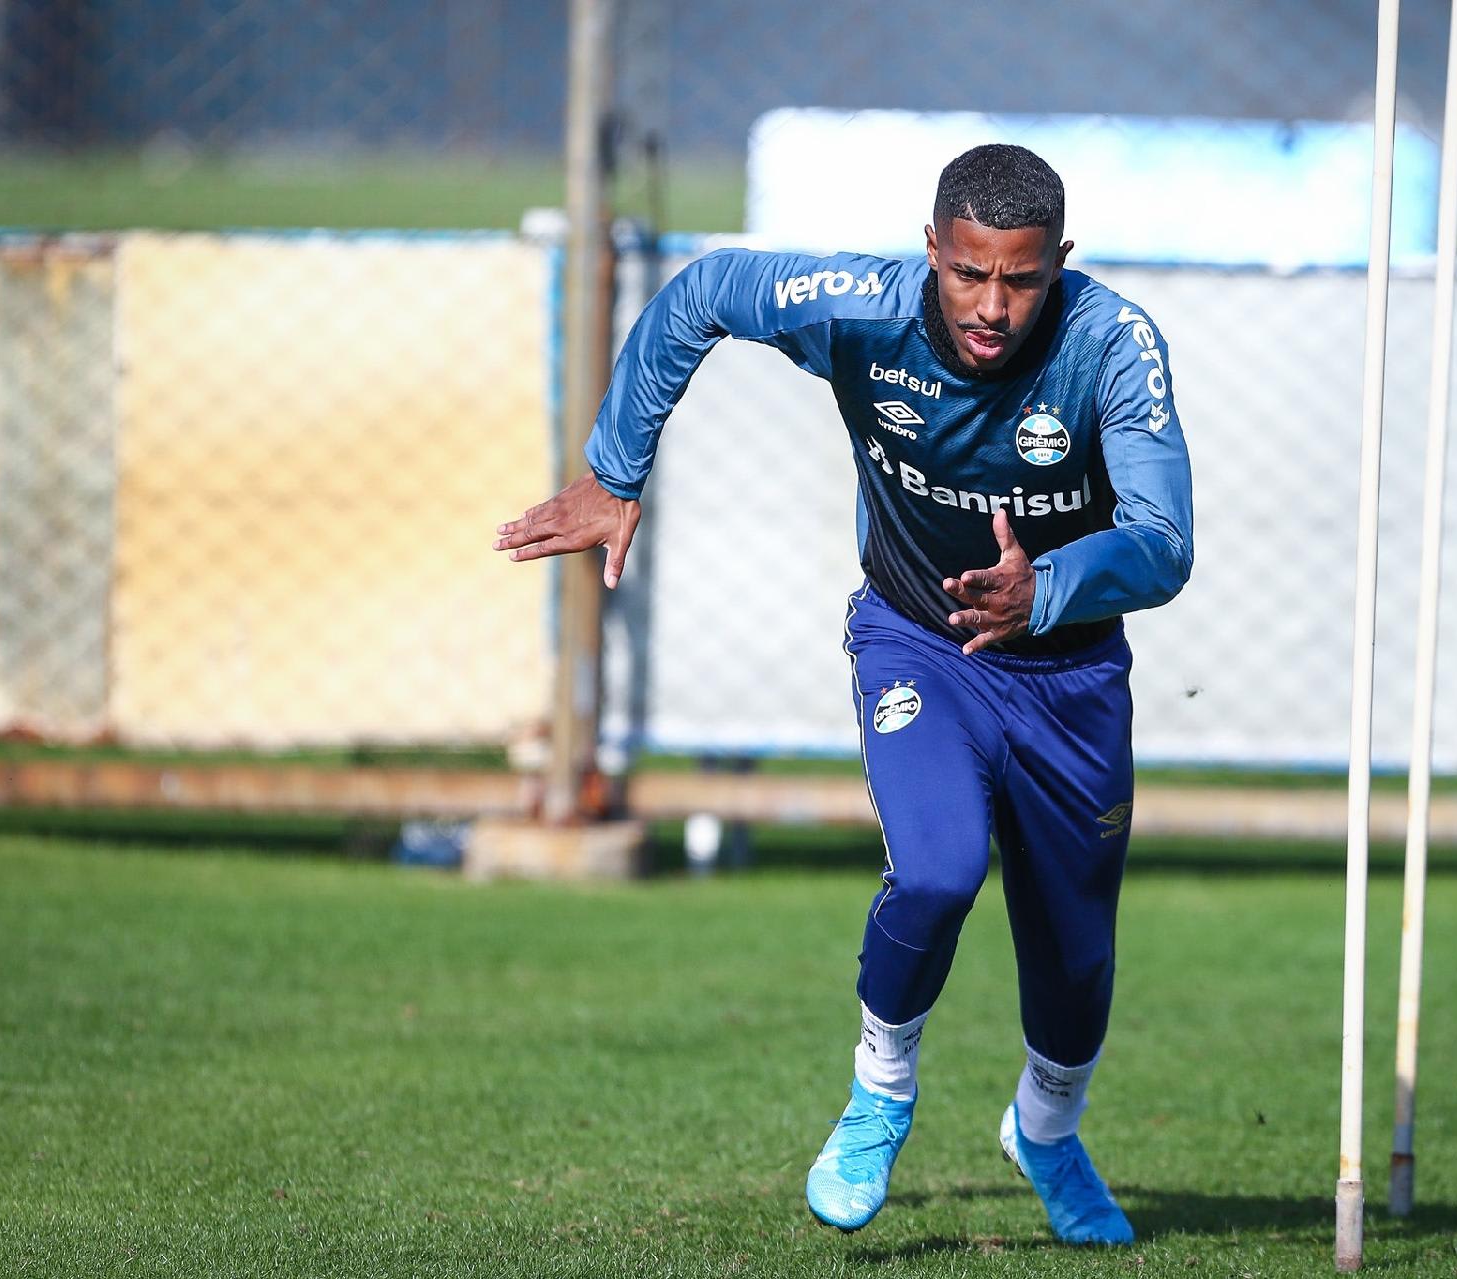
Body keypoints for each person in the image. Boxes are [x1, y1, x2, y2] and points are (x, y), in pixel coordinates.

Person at [494, 144, 1193, 1245]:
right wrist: (616, 469)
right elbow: (701, 295)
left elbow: (1164, 543)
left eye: (1020, 279)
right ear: (932, 250)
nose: (993, 308)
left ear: (1059, 262)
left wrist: (1046, 583)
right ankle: (881, 1090)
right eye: (969, 274)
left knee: (1075, 951)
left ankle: (1047, 1132)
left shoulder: (1113, 345)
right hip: (920, 644)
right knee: (937, 870)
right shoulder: (858, 310)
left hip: (1069, 676)